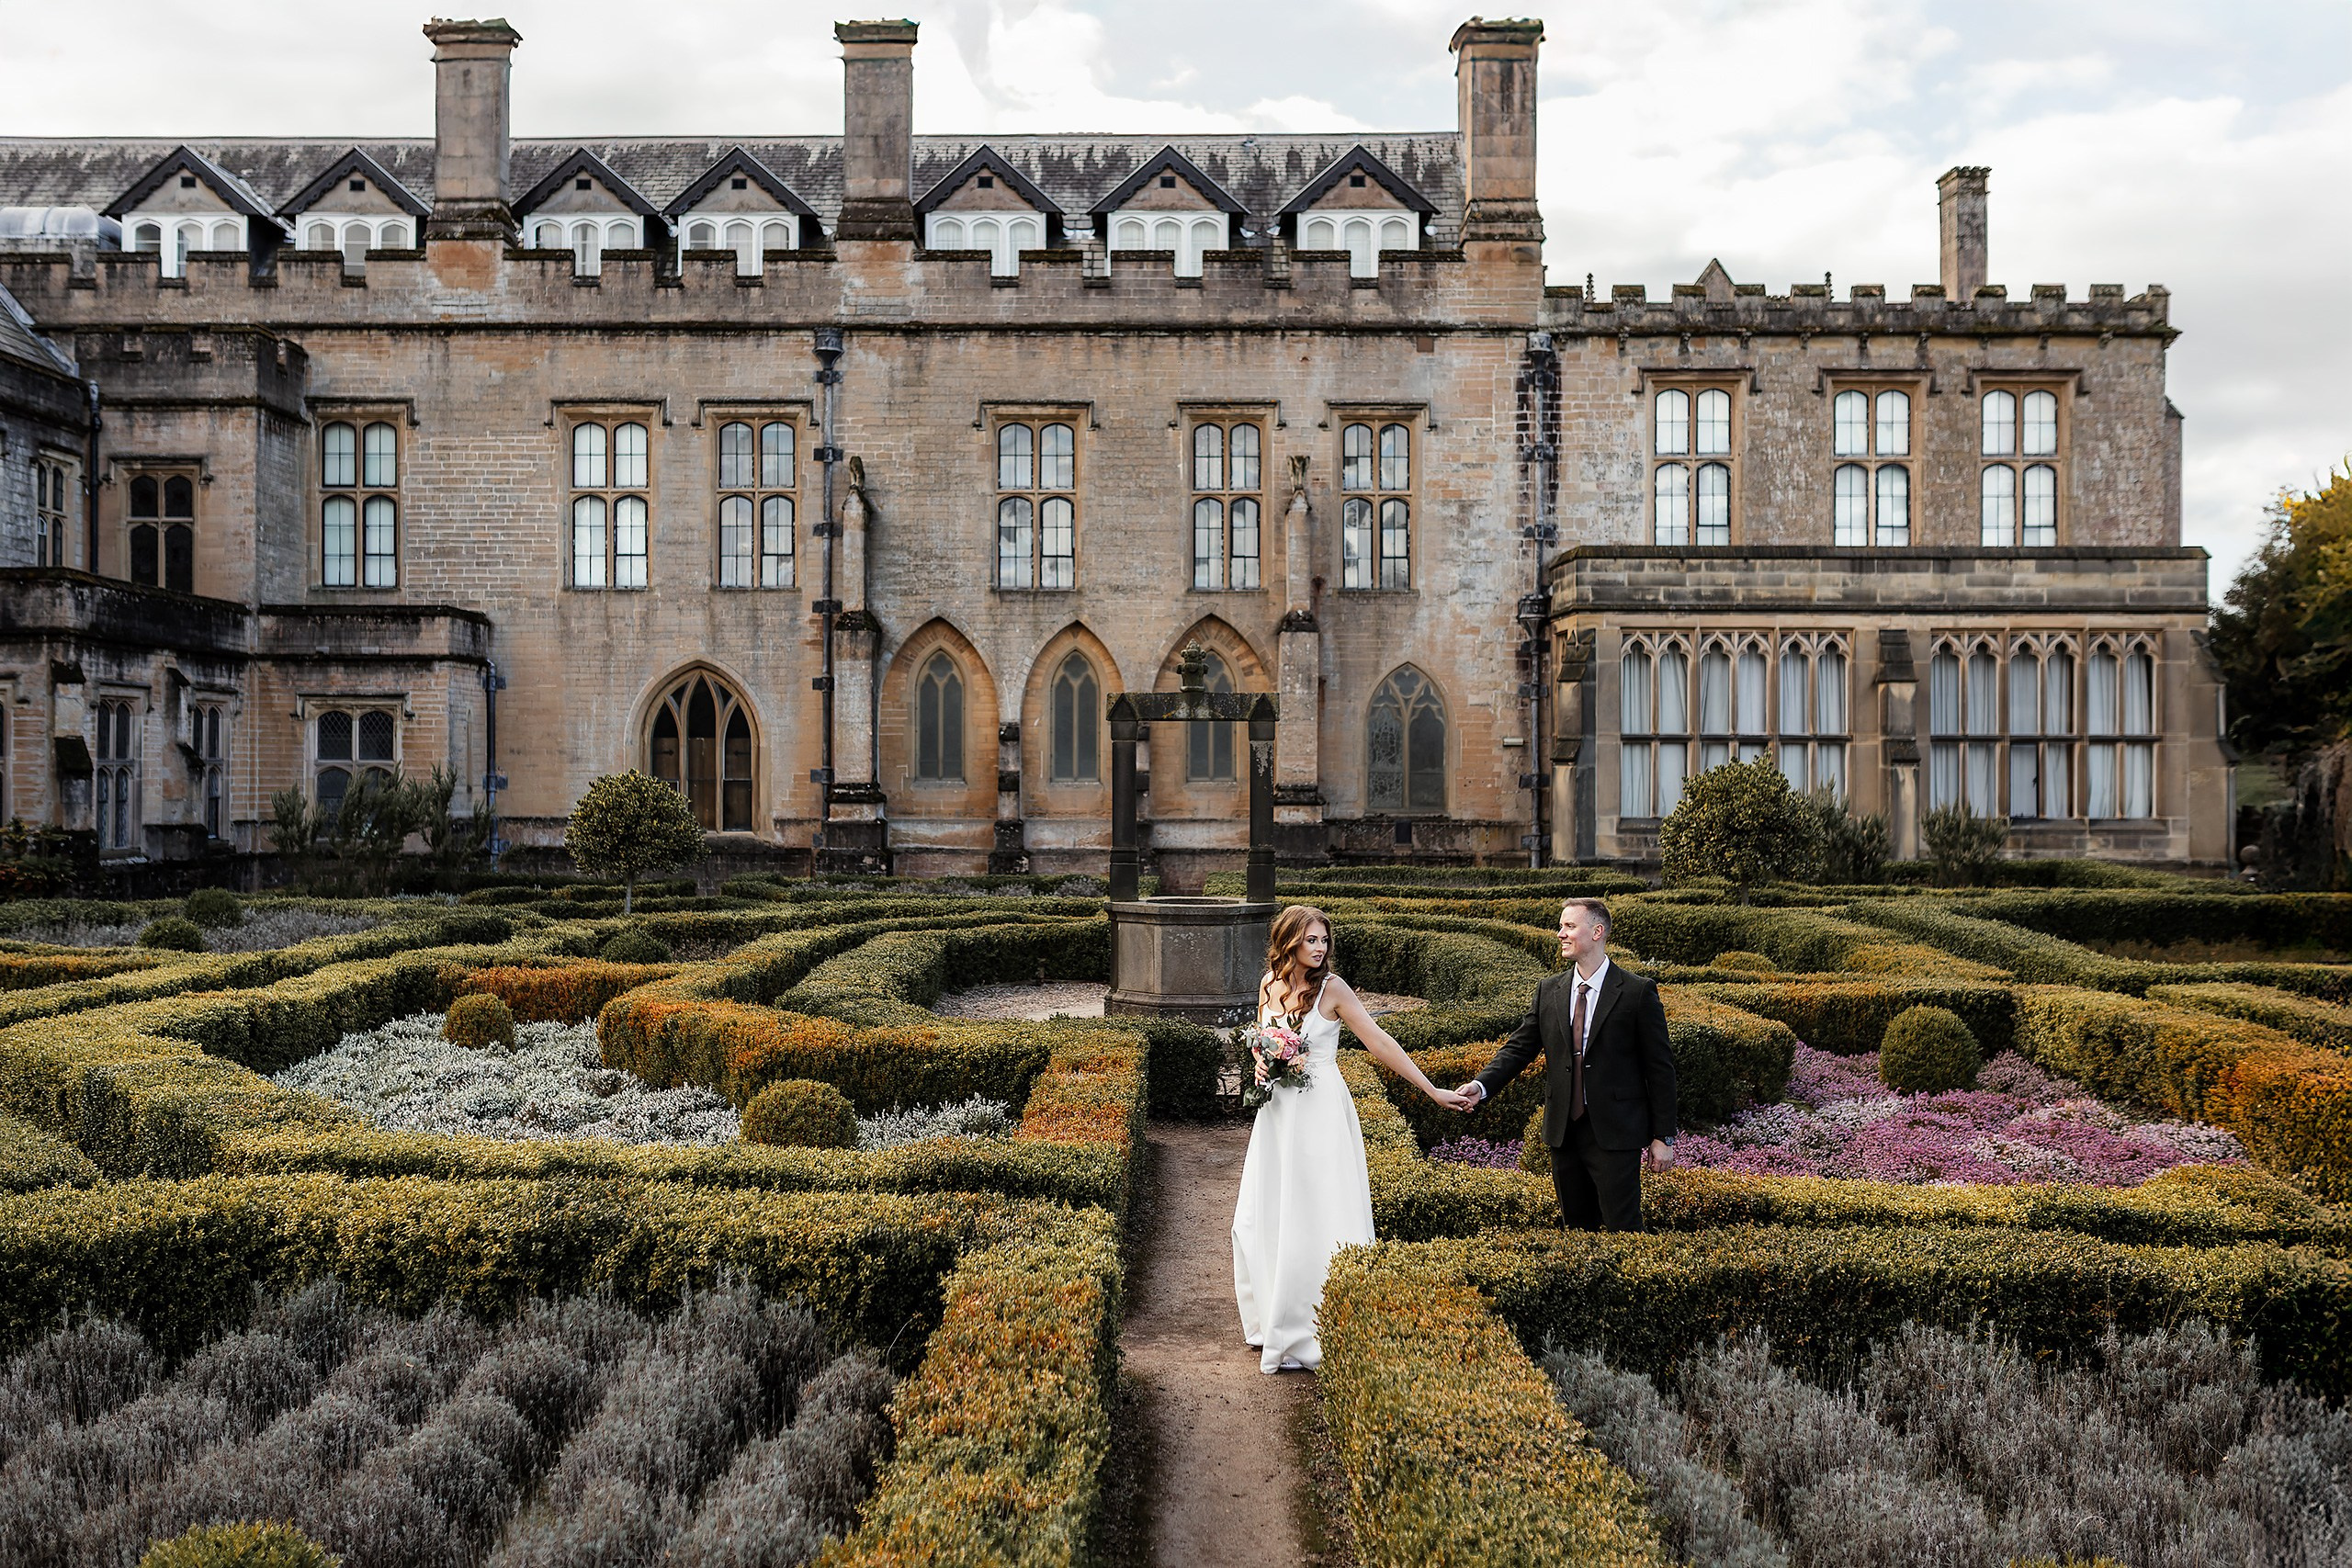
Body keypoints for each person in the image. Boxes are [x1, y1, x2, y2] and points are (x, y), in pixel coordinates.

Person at [1233, 904, 1472, 1372]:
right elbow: (1263, 1038)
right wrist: (1262, 1062)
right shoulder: (1268, 984)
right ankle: (1274, 1318)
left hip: (1320, 1108)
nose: (1319, 948)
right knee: (1263, 1212)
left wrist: (1430, 1089)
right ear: (1289, 942)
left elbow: (1379, 1041)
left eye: (1324, 940)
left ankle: (1323, 1325)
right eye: (1311, 940)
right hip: (1278, 1110)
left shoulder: (1334, 989)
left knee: (1320, 1211)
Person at [1459, 897, 1676, 1231]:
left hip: (1616, 1133)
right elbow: (1519, 1048)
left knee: (1624, 1228)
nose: (1560, 933)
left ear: (1597, 932)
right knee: (1575, 1228)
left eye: (1569, 926)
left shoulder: (1637, 992)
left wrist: (1663, 1136)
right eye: (1561, 926)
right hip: (1563, 1131)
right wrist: (1481, 1085)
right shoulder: (1550, 990)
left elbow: (1660, 1068)